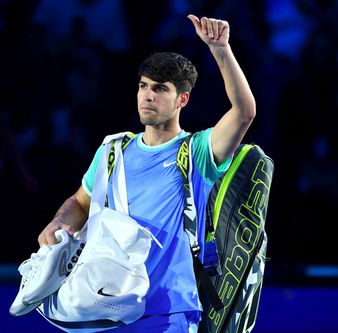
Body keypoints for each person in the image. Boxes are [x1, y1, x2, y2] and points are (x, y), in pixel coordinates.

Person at [36, 14, 256, 332]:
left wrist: (220, 49)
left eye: (160, 89)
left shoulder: (197, 151)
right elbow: (81, 204)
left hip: (170, 314)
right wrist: (59, 223)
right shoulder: (113, 150)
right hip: (107, 309)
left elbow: (244, 112)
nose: (147, 95)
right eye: (143, 86)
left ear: (182, 99)